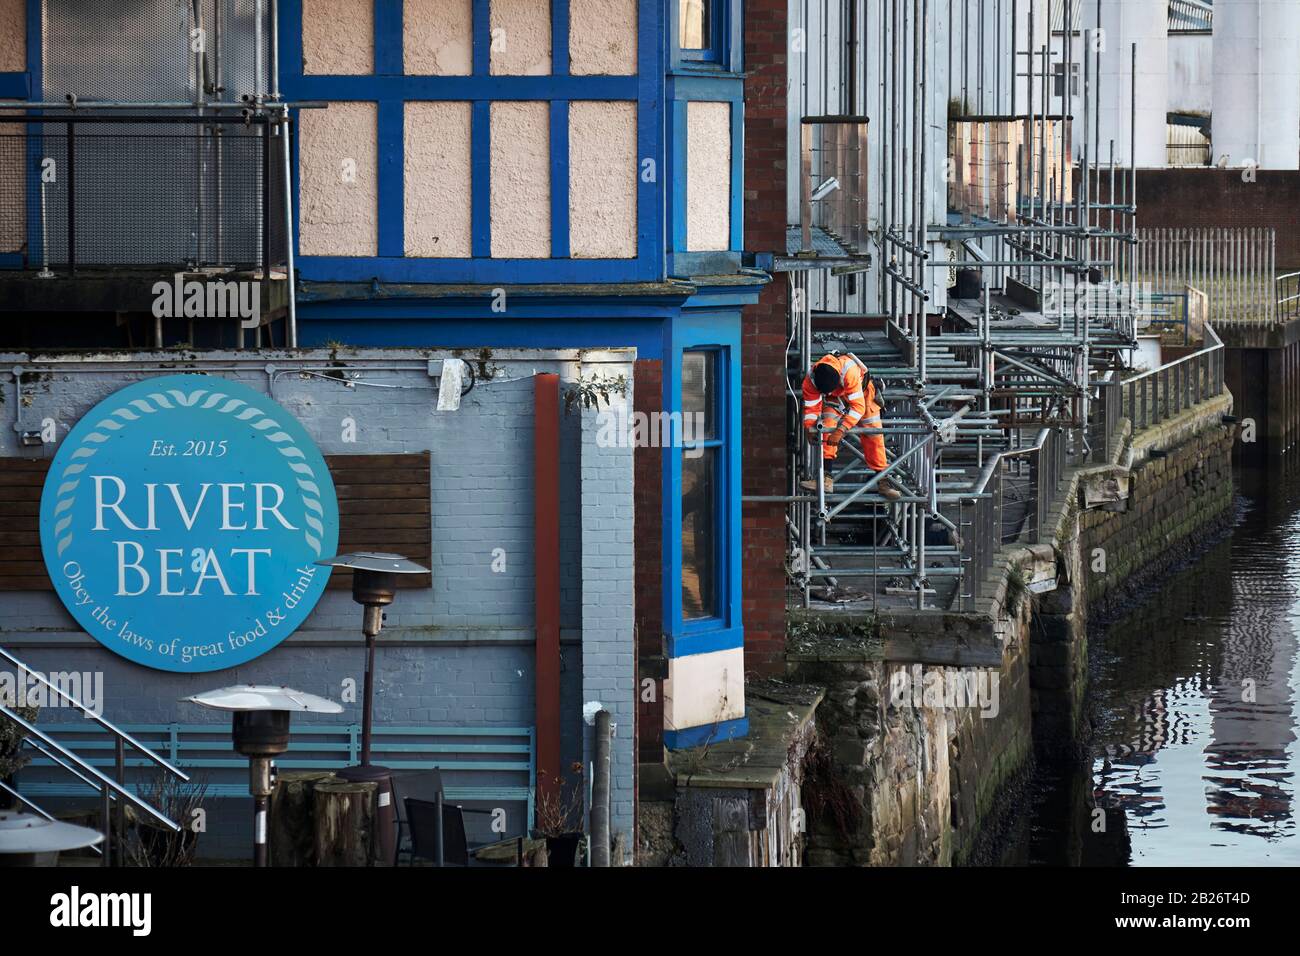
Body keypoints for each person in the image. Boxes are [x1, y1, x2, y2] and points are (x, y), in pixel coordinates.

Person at [800, 352, 902, 500]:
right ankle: (825, 478)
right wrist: (809, 427)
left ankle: (883, 481)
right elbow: (811, 408)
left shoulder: (850, 371)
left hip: (863, 393)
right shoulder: (811, 380)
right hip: (835, 398)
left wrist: (842, 429)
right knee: (826, 427)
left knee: (873, 433)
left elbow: (858, 407)